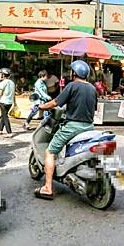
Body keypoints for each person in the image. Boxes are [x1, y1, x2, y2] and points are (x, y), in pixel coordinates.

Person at [35, 60, 96, 199]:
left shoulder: (72, 86)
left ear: (74, 73)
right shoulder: (92, 88)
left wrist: (42, 107)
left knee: (50, 151)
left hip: (73, 126)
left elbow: (56, 102)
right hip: (89, 126)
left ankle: (47, 187)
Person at [0, 68, 15, 137]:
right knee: (3, 115)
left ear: (3, 75)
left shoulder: (3, 83)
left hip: (3, 102)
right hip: (10, 102)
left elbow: (0, 93)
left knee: (5, 117)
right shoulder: (12, 83)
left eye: (0, 74)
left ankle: (9, 132)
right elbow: (13, 94)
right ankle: (0, 129)